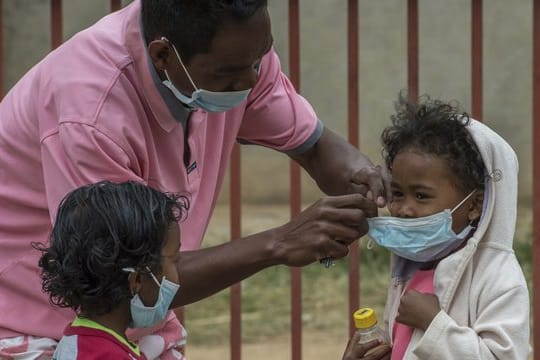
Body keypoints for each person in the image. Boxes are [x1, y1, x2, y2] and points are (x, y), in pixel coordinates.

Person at [0, 0, 386, 358]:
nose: (252, 80)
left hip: (134, 323)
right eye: (230, 74)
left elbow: (314, 146)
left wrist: (372, 184)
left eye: (260, 58)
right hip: (38, 325)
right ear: (163, 55)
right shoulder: (91, 112)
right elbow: (121, 277)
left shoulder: (235, 54)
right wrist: (280, 243)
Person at [362, 93, 530, 359]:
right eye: (397, 194)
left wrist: (434, 324)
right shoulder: (414, 265)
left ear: (474, 205)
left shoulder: (499, 279)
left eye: (421, 196)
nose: (403, 210)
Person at [35, 181, 189, 359]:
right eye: (174, 261)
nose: (176, 276)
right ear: (136, 280)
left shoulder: (92, 344)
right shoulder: (102, 354)